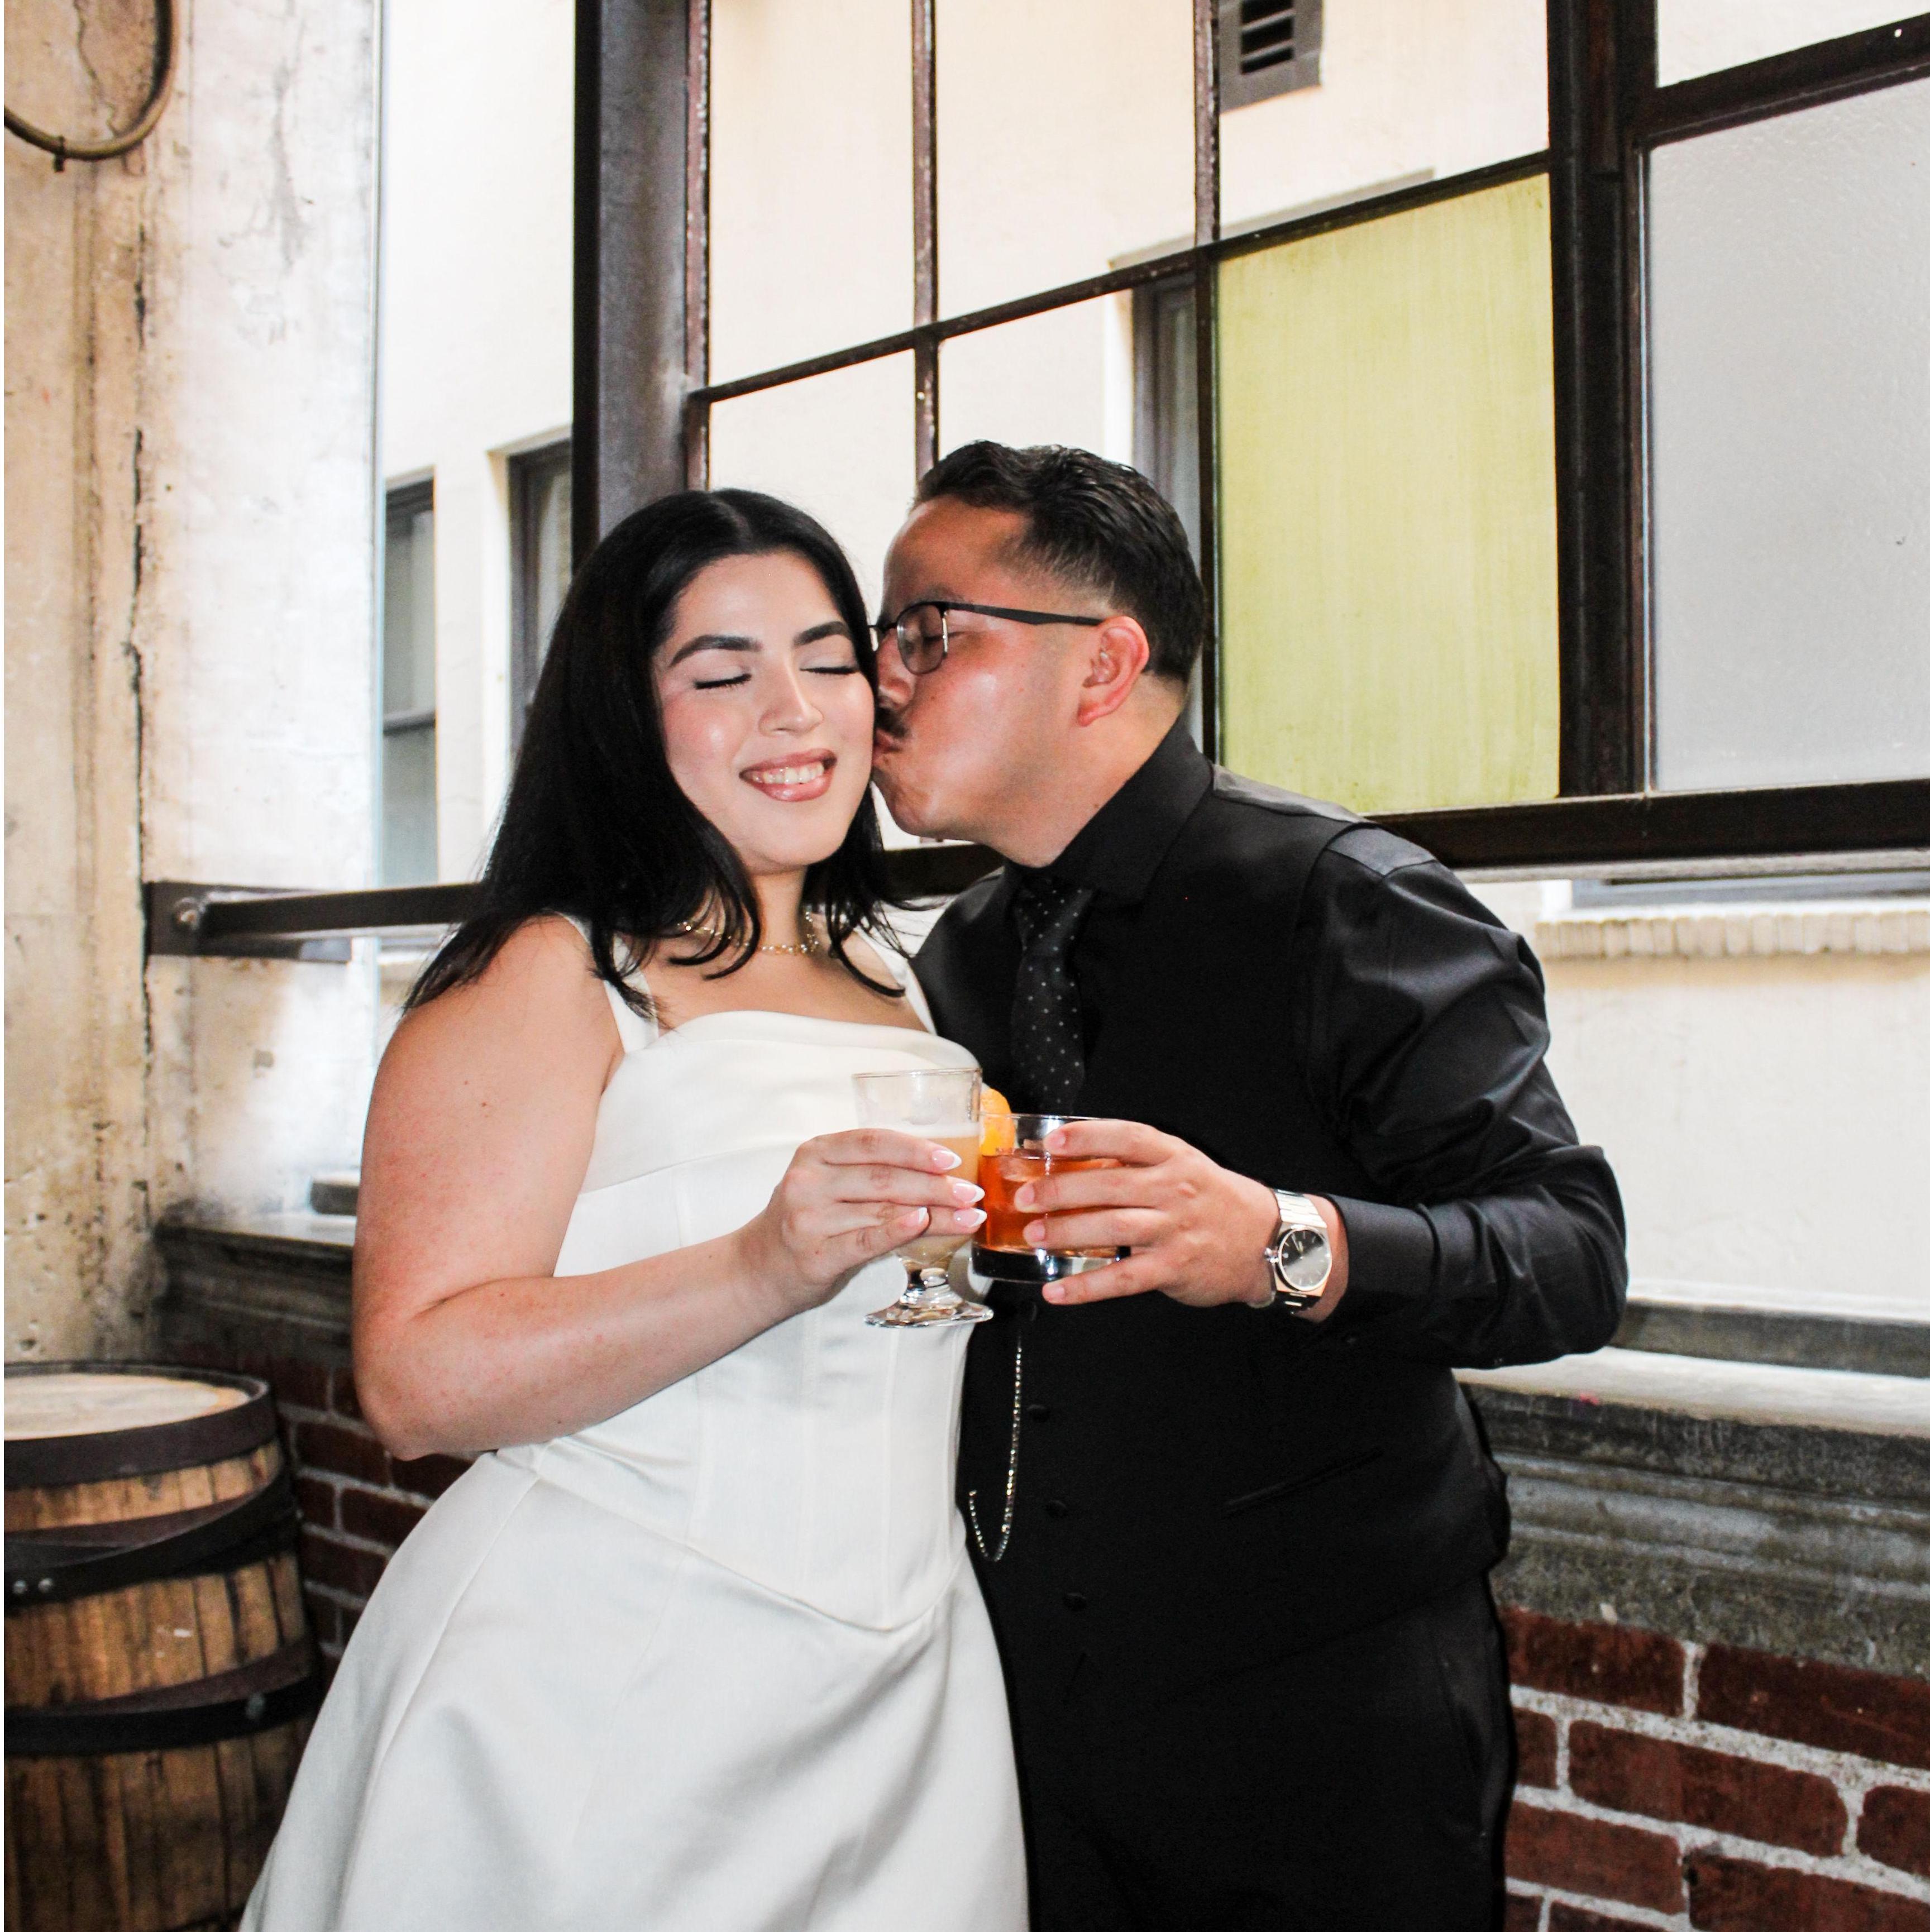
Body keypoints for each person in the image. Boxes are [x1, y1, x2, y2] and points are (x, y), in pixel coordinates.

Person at [243, 490, 1026, 1932]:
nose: (795, 711)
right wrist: (759, 1264)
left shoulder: (892, 971)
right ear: (624, 717)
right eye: (723, 674)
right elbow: (415, 1384)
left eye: (827, 659)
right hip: (611, 1681)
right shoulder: (552, 972)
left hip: (899, 1682)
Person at [872, 441, 1628, 1930]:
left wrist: (1281, 1241)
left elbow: (1570, 1253)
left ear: (1105, 664)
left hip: (1320, 1729)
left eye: (928, 632)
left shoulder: (1350, 901)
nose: (878, 680)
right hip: (1017, 1719)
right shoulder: (951, 958)